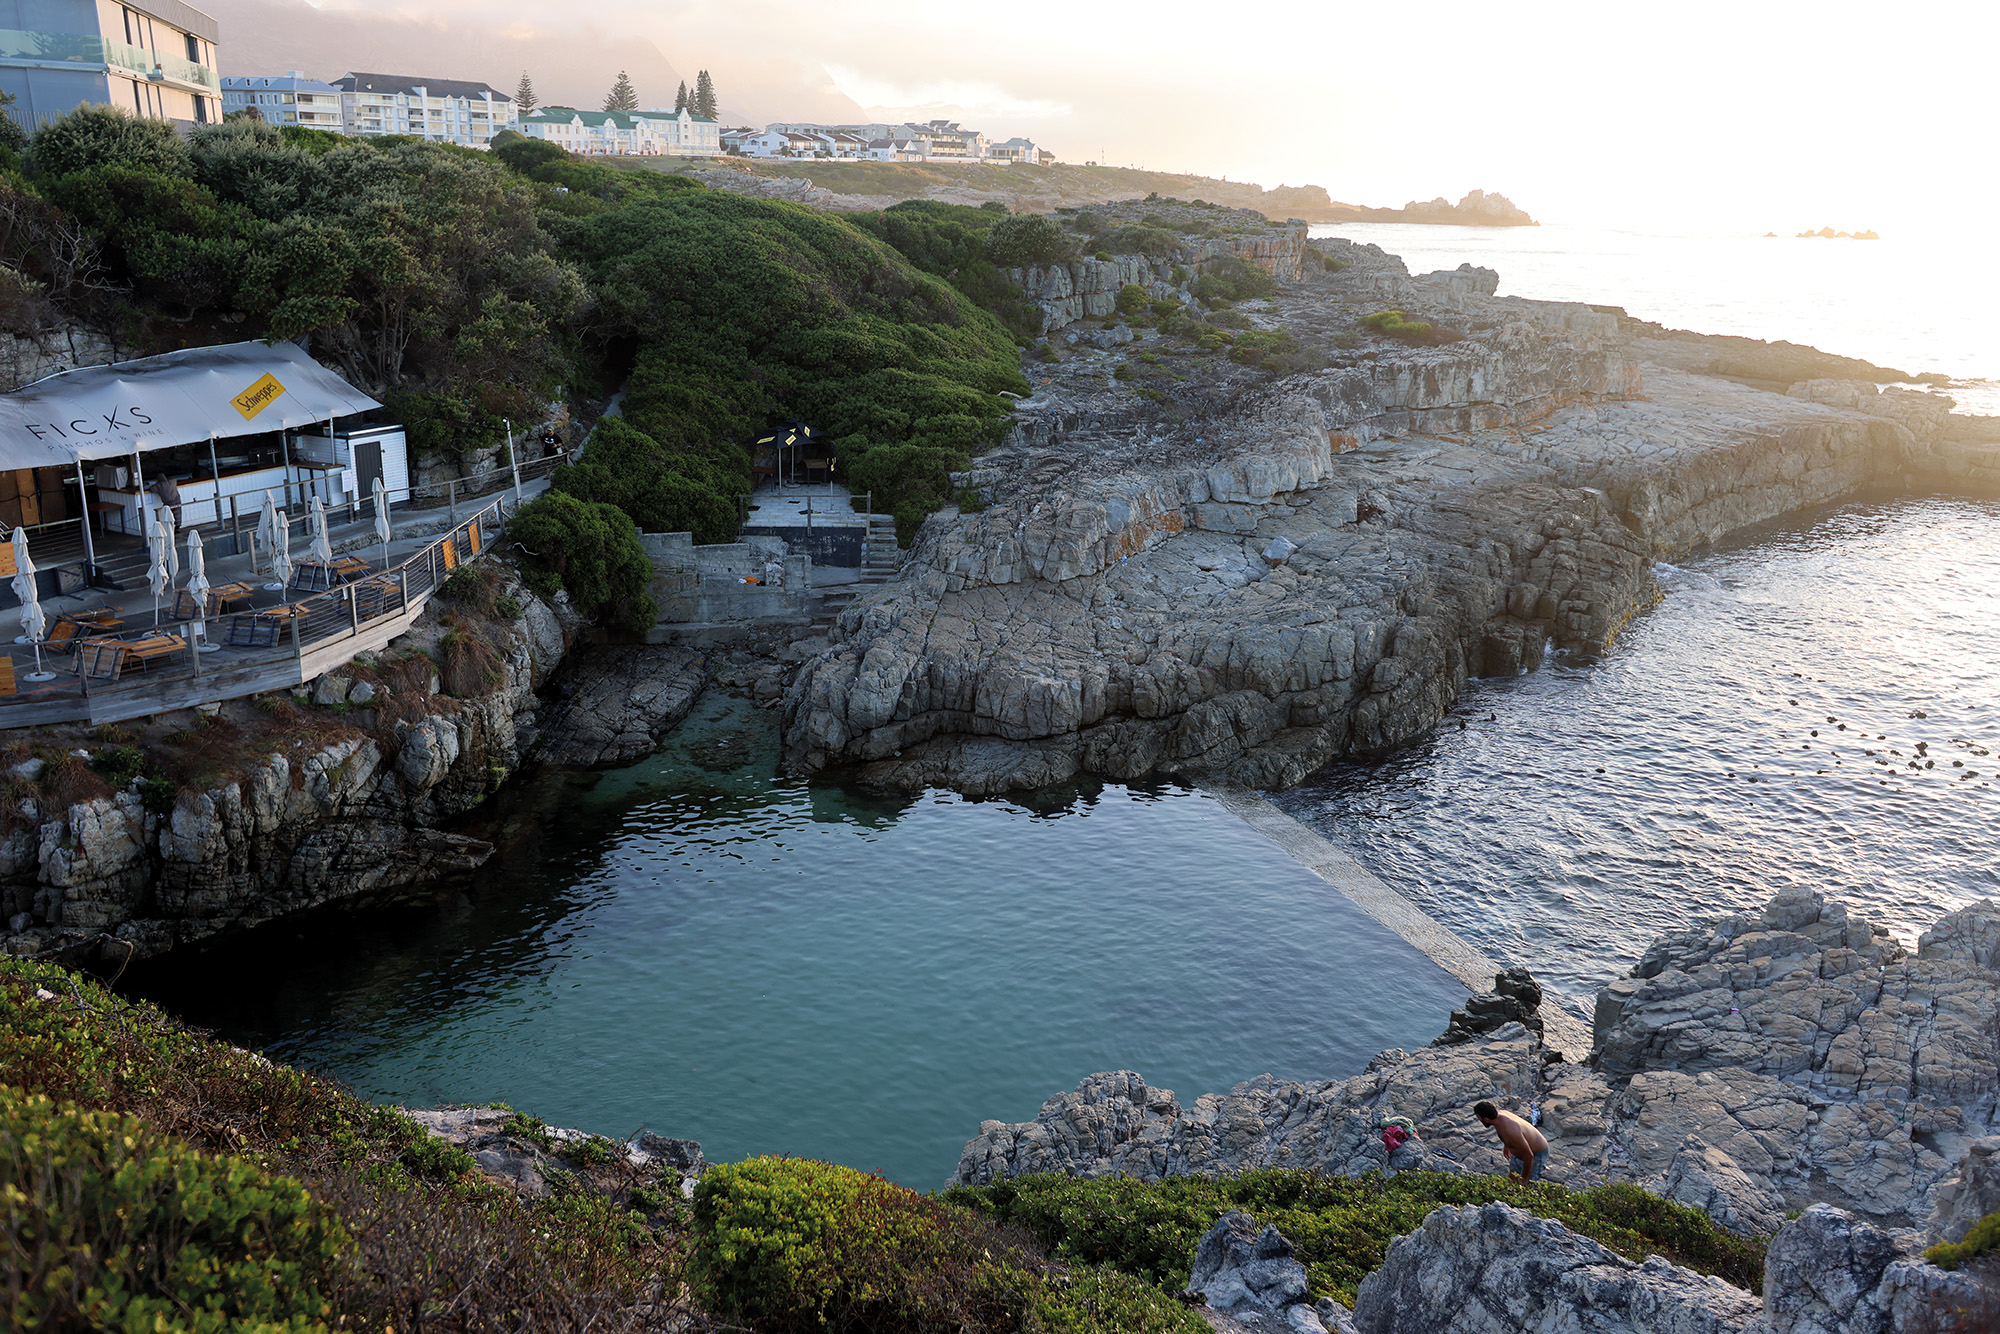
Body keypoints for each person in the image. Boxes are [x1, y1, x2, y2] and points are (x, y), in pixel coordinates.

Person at [1474, 1100, 1548, 1183]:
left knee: (1526, 1186)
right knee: (1512, 1180)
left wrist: (1524, 1178)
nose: (1479, 1120)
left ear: (1486, 1119)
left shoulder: (1510, 1131)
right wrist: (1507, 1145)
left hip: (1536, 1153)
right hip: (1520, 1149)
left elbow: (1529, 1156)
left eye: (1479, 1118)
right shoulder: (1500, 1116)